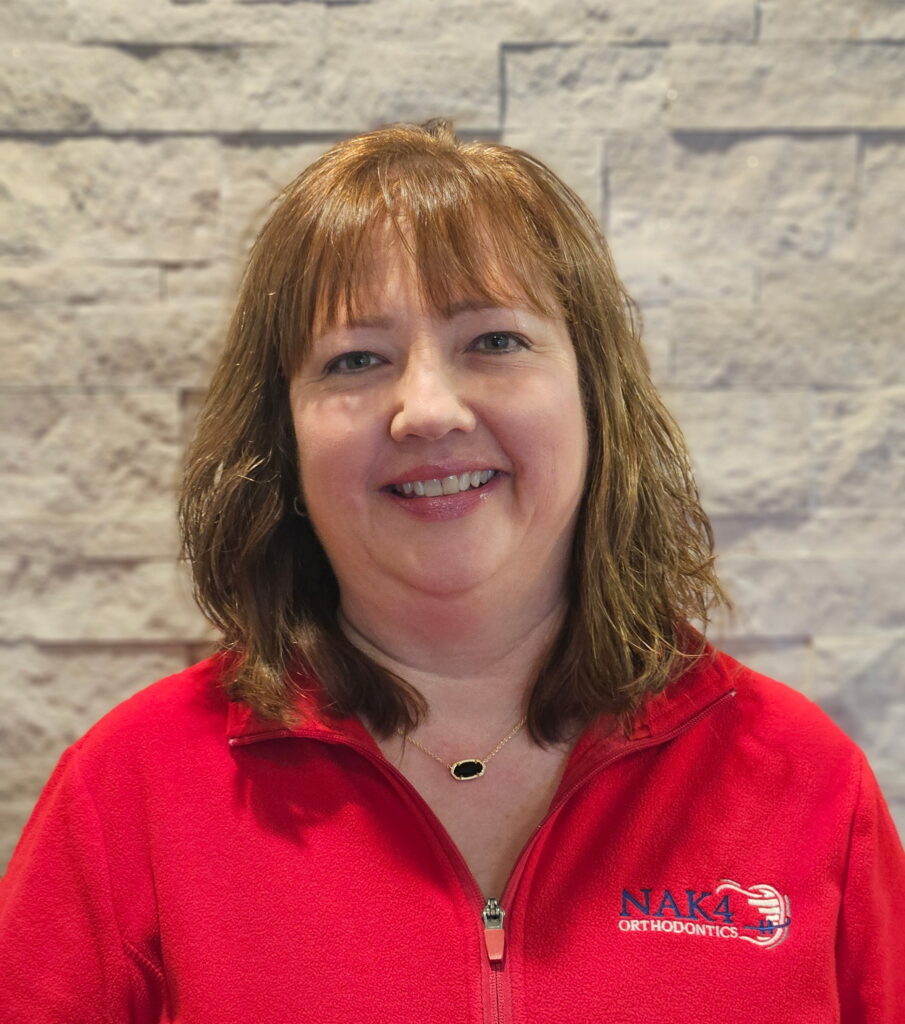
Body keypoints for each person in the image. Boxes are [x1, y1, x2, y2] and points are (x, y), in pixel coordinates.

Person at [1, 118, 903, 1022]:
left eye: (494, 341)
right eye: (356, 359)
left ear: (595, 395)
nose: (427, 410)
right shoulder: (131, 794)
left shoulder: (805, 785)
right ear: (282, 438)